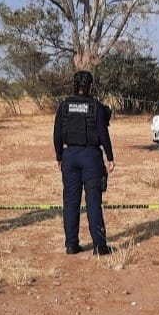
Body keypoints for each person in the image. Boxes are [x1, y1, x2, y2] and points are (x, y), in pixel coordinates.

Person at [53, 70, 115, 255]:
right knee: (93, 202)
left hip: (69, 156)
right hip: (91, 157)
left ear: (74, 85)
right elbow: (103, 134)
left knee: (70, 203)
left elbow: (57, 134)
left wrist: (59, 156)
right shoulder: (96, 107)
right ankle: (99, 246)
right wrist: (110, 157)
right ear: (90, 87)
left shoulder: (64, 106)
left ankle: (71, 245)